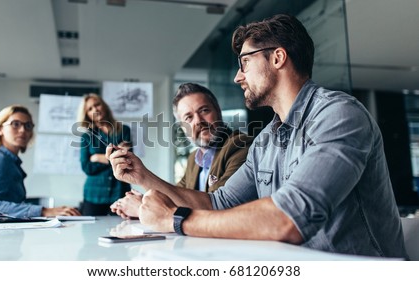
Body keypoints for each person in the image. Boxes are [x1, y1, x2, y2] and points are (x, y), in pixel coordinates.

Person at [107, 14, 408, 258]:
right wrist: (142, 177)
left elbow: (289, 218)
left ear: (278, 58)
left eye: (245, 62)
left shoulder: (339, 116)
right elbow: (217, 203)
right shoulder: (266, 140)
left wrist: (175, 219)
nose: (238, 76)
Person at [109, 83, 253, 218]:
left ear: (218, 112)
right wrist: (144, 199)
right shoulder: (194, 158)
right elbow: (176, 197)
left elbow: (218, 207)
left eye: (204, 110)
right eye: (188, 117)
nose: (197, 121)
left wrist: (142, 206)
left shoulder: (239, 145)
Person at [0, 105, 80, 218]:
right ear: (0, 129)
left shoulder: (9, 161)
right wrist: (43, 211)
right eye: (15, 124)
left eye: (28, 126)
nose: (23, 130)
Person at [78, 93, 132, 216]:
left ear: (104, 106)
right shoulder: (87, 137)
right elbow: (87, 167)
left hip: (119, 192)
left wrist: (97, 157)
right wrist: (114, 157)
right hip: (94, 194)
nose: (95, 109)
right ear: (87, 115)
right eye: (90, 109)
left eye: (97, 105)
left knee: (122, 230)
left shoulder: (124, 130)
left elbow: (127, 161)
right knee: (90, 233)